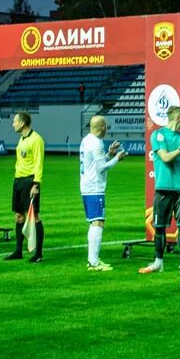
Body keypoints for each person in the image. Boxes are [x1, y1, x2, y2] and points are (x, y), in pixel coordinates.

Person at [139, 105, 180, 276]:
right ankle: (158, 262)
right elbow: (165, 158)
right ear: (178, 119)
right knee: (160, 226)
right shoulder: (158, 135)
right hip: (163, 187)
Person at [78, 114, 123, 271]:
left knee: (94, 222)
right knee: (98, 222)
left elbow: (94, 163)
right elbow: (100, 168)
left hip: (86, 185)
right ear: (102, 127)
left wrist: (109, 154)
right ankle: (94, 262)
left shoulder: (86, 140)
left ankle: (93, 260)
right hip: (94, 187)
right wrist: (117, 158)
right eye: (106, 127)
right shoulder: (97, 143)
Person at [6, 112, 45, 262]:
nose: (13, 124)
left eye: (15, 121)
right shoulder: (21, 139)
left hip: (30, 182)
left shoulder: (36, 139)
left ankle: (39, 253)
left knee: (34, 216)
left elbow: (38, 163)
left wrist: (36, 184)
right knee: (18, 216)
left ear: (22, 123)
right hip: (18, 180)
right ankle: (18, 251)